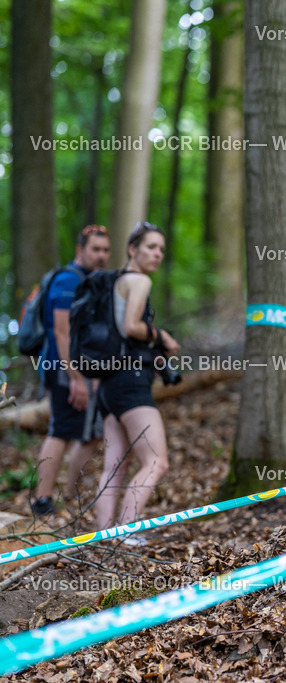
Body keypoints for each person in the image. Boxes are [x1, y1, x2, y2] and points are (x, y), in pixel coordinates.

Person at [93, 222, 180, 535]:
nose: (157, 254)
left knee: (114, 466)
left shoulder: (113, 283)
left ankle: (102, 538)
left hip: (108, 384)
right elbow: (131, 326)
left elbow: (120, 336)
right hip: (130, 384)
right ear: (132, 249)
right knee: (157, 462)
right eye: (150, 247)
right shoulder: (139, 281)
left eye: (161, 249)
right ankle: (125, 533)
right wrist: (162, 335)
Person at [30, 225, 111, 515]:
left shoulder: (90, 280)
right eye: (95, 249)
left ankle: (67, 496)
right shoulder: (68, 280)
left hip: (83, 369)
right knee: (61, 430)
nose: (101, 255)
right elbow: (62, 333)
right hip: (62, 365)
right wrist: (75, 377)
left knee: (89, 434)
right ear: (80, 250)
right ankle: (42, 501)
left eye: (105, 250)